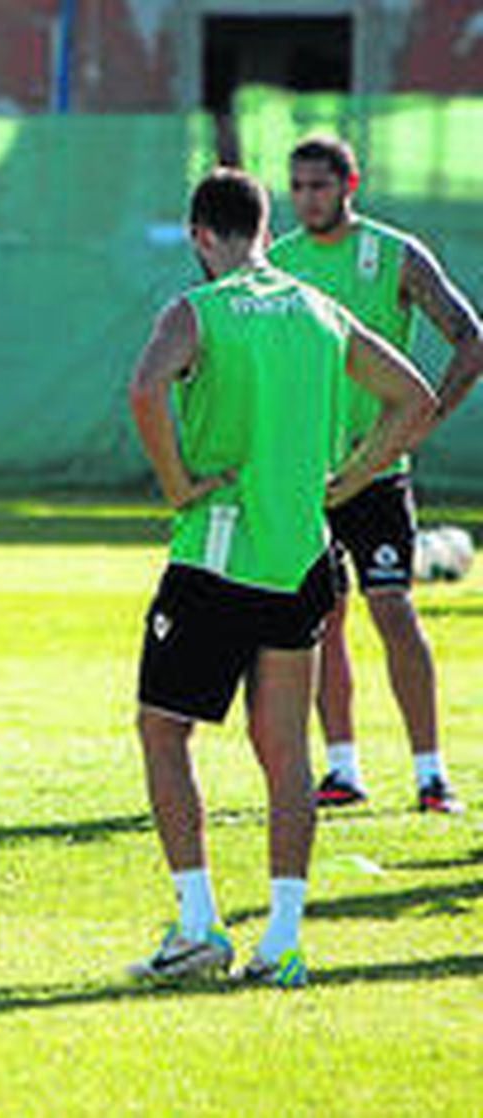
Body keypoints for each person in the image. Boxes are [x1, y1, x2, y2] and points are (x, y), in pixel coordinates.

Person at [126, 168, 434, 987]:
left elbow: (145, 388)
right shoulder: (320, 309)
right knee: (288, 752)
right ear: (266, 227)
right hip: (303, 559)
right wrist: (356, 475)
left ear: (202, 236)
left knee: (164, 730)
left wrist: (178, 483)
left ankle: (198, 925)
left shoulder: (198, 311)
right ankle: (285, 942)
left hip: (218, 557)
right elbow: (417, 396)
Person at [271, 136, 483, 815]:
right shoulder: (280, 263)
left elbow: (469, 338)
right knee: (320, 621)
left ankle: (431, 774)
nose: (307, 199)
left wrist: (424, 420)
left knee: (392, 608)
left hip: (380, 473)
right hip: (312, 475)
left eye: (319, 186)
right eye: (297, 187)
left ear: (349, 184)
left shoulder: (394, 254)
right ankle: (343, 769)